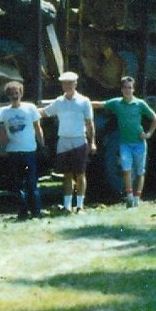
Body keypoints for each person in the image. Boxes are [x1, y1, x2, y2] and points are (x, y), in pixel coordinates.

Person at [92, 76, 156, 208]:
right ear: (121, 89)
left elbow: (155, 118)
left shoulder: (140, 104)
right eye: (125, 88)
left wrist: (149, 134)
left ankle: (137, 198)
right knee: (126, 170)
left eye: (130, 87)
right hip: (125, 143)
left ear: (133, 89)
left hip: (139, 143)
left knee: (140, 171)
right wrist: (82, 102)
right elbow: (100, 104)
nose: (127, 90)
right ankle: (129, 197)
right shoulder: (117, 103)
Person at [0, 80, 45, 219]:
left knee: (32, 183)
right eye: (12, 94)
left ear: (21, 93)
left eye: (17, 93)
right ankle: (23, 212)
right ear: (8, 96)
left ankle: (36, 212)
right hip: (13, 151)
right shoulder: (4, 111)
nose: (15, 96)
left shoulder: (30, 108)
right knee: (18, 185)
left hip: (29, 150)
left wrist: (42, 145)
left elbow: (38, 127)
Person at [41, 72, 95, 213]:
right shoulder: (59, 101)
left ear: (75, 84)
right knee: (67, 175)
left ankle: (80, 206)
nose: (67, 85)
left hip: (79, 140)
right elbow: (44, 112)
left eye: (70, 83)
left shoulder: (84, 101)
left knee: (80, 174)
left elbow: (90, 123)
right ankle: (67, 207)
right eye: (65, 83)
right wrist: (25, 110)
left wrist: (92, 142)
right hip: (63, 141)